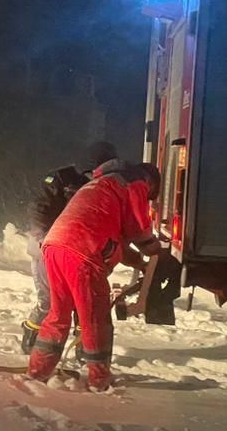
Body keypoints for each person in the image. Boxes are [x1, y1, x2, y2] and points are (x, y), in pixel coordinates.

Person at [27, 160, 163, 392]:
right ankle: (99, 380)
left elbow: (113, 236)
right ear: (150, 183)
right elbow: (138, 228)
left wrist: (137, 261)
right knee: (95, 318)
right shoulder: (135, 182)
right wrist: (154, 250)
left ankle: (37, 372)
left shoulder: (100, 184)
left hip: (54, 246)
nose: (148, 198)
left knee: (58, 313)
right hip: (83, 251)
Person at [20, 140, 119, 353]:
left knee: (85, 304)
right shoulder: (61, 179)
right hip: (49, 250)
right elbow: (39, 210)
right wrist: (46, 240)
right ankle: (32, 340)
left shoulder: (107, 186)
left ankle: (84, 349)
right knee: (50, 302)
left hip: (83, 254)